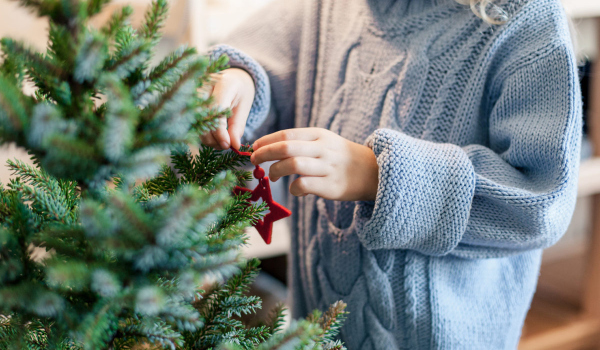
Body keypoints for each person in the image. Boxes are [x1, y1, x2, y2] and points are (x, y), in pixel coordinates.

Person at [201, 0, 582, 348]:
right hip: (318, 331)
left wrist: (378, 176)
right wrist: (240, 77)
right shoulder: (328, 8)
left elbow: (540, 201)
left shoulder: (527, 22)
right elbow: (260, 55)